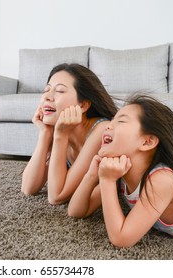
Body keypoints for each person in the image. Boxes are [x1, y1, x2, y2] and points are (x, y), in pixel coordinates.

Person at [68, 94, 173, 247]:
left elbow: (121, 239)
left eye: (121, 121)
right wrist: (92, 175)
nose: (108, 125)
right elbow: (76, 211)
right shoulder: (121, 172)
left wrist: (107, 181)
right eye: (112, 120)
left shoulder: (162, 179)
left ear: (147, 142)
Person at [21, 63, 118, 205]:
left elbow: (56, 197)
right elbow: (28, 188)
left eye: (59, 91)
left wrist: (60, 136)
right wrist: (45, 134)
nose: (47, 97)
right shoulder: (58, 128)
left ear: (83, 105)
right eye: (46, 90)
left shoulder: (102, 130)